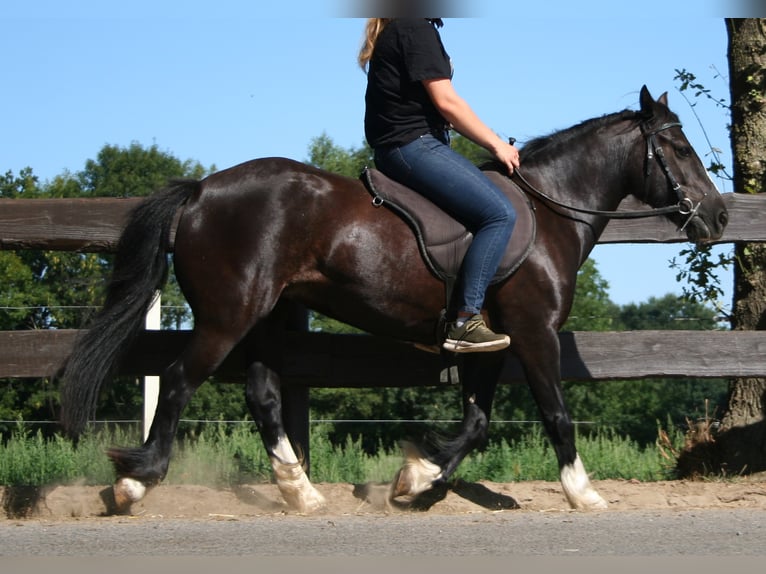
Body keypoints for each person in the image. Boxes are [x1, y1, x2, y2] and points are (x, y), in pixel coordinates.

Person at [359, 18, 519, 353]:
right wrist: (496, 144)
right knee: (499, 213)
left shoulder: (400, 27)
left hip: (402, 146)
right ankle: (465, 322)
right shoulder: (415, 27)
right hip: (413, 145)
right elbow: (448, 102)